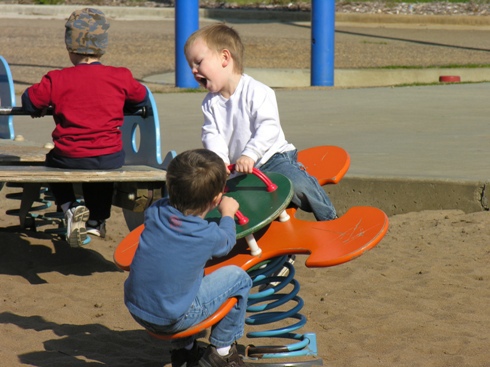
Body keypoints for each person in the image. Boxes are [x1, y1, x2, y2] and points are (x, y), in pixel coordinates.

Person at [21, 8, 150, 247]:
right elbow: (142, 98)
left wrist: (39, 101)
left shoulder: (57, 79)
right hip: (110, 155)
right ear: (102, 47)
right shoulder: (120, 77)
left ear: (70, 48)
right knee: (103, 169)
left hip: (69, 155)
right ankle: (97, 220)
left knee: (51, 162)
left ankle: (70, 207)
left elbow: (30, 102)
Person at [183, 23, 337, 222]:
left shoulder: (257, 91)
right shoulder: (210, 104)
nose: (194, 71)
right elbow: (212, 135)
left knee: (298, 184)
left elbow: (268, 127)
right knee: (241, 207)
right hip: (239, 168)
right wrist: (220, 161)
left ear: (224, 58)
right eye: (191, 66)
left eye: (198, 62)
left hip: (272, 158)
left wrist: (250, 153)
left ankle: (330, 219)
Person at [124, 149, 253, 367]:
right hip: (172, 319)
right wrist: (228, 213)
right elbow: (227, 241)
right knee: (239, 278)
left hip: (137, 307)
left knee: (182, 278)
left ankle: (184, 350)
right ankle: (222, 351)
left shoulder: (155, 211)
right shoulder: (206, 235)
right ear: (215, 199)